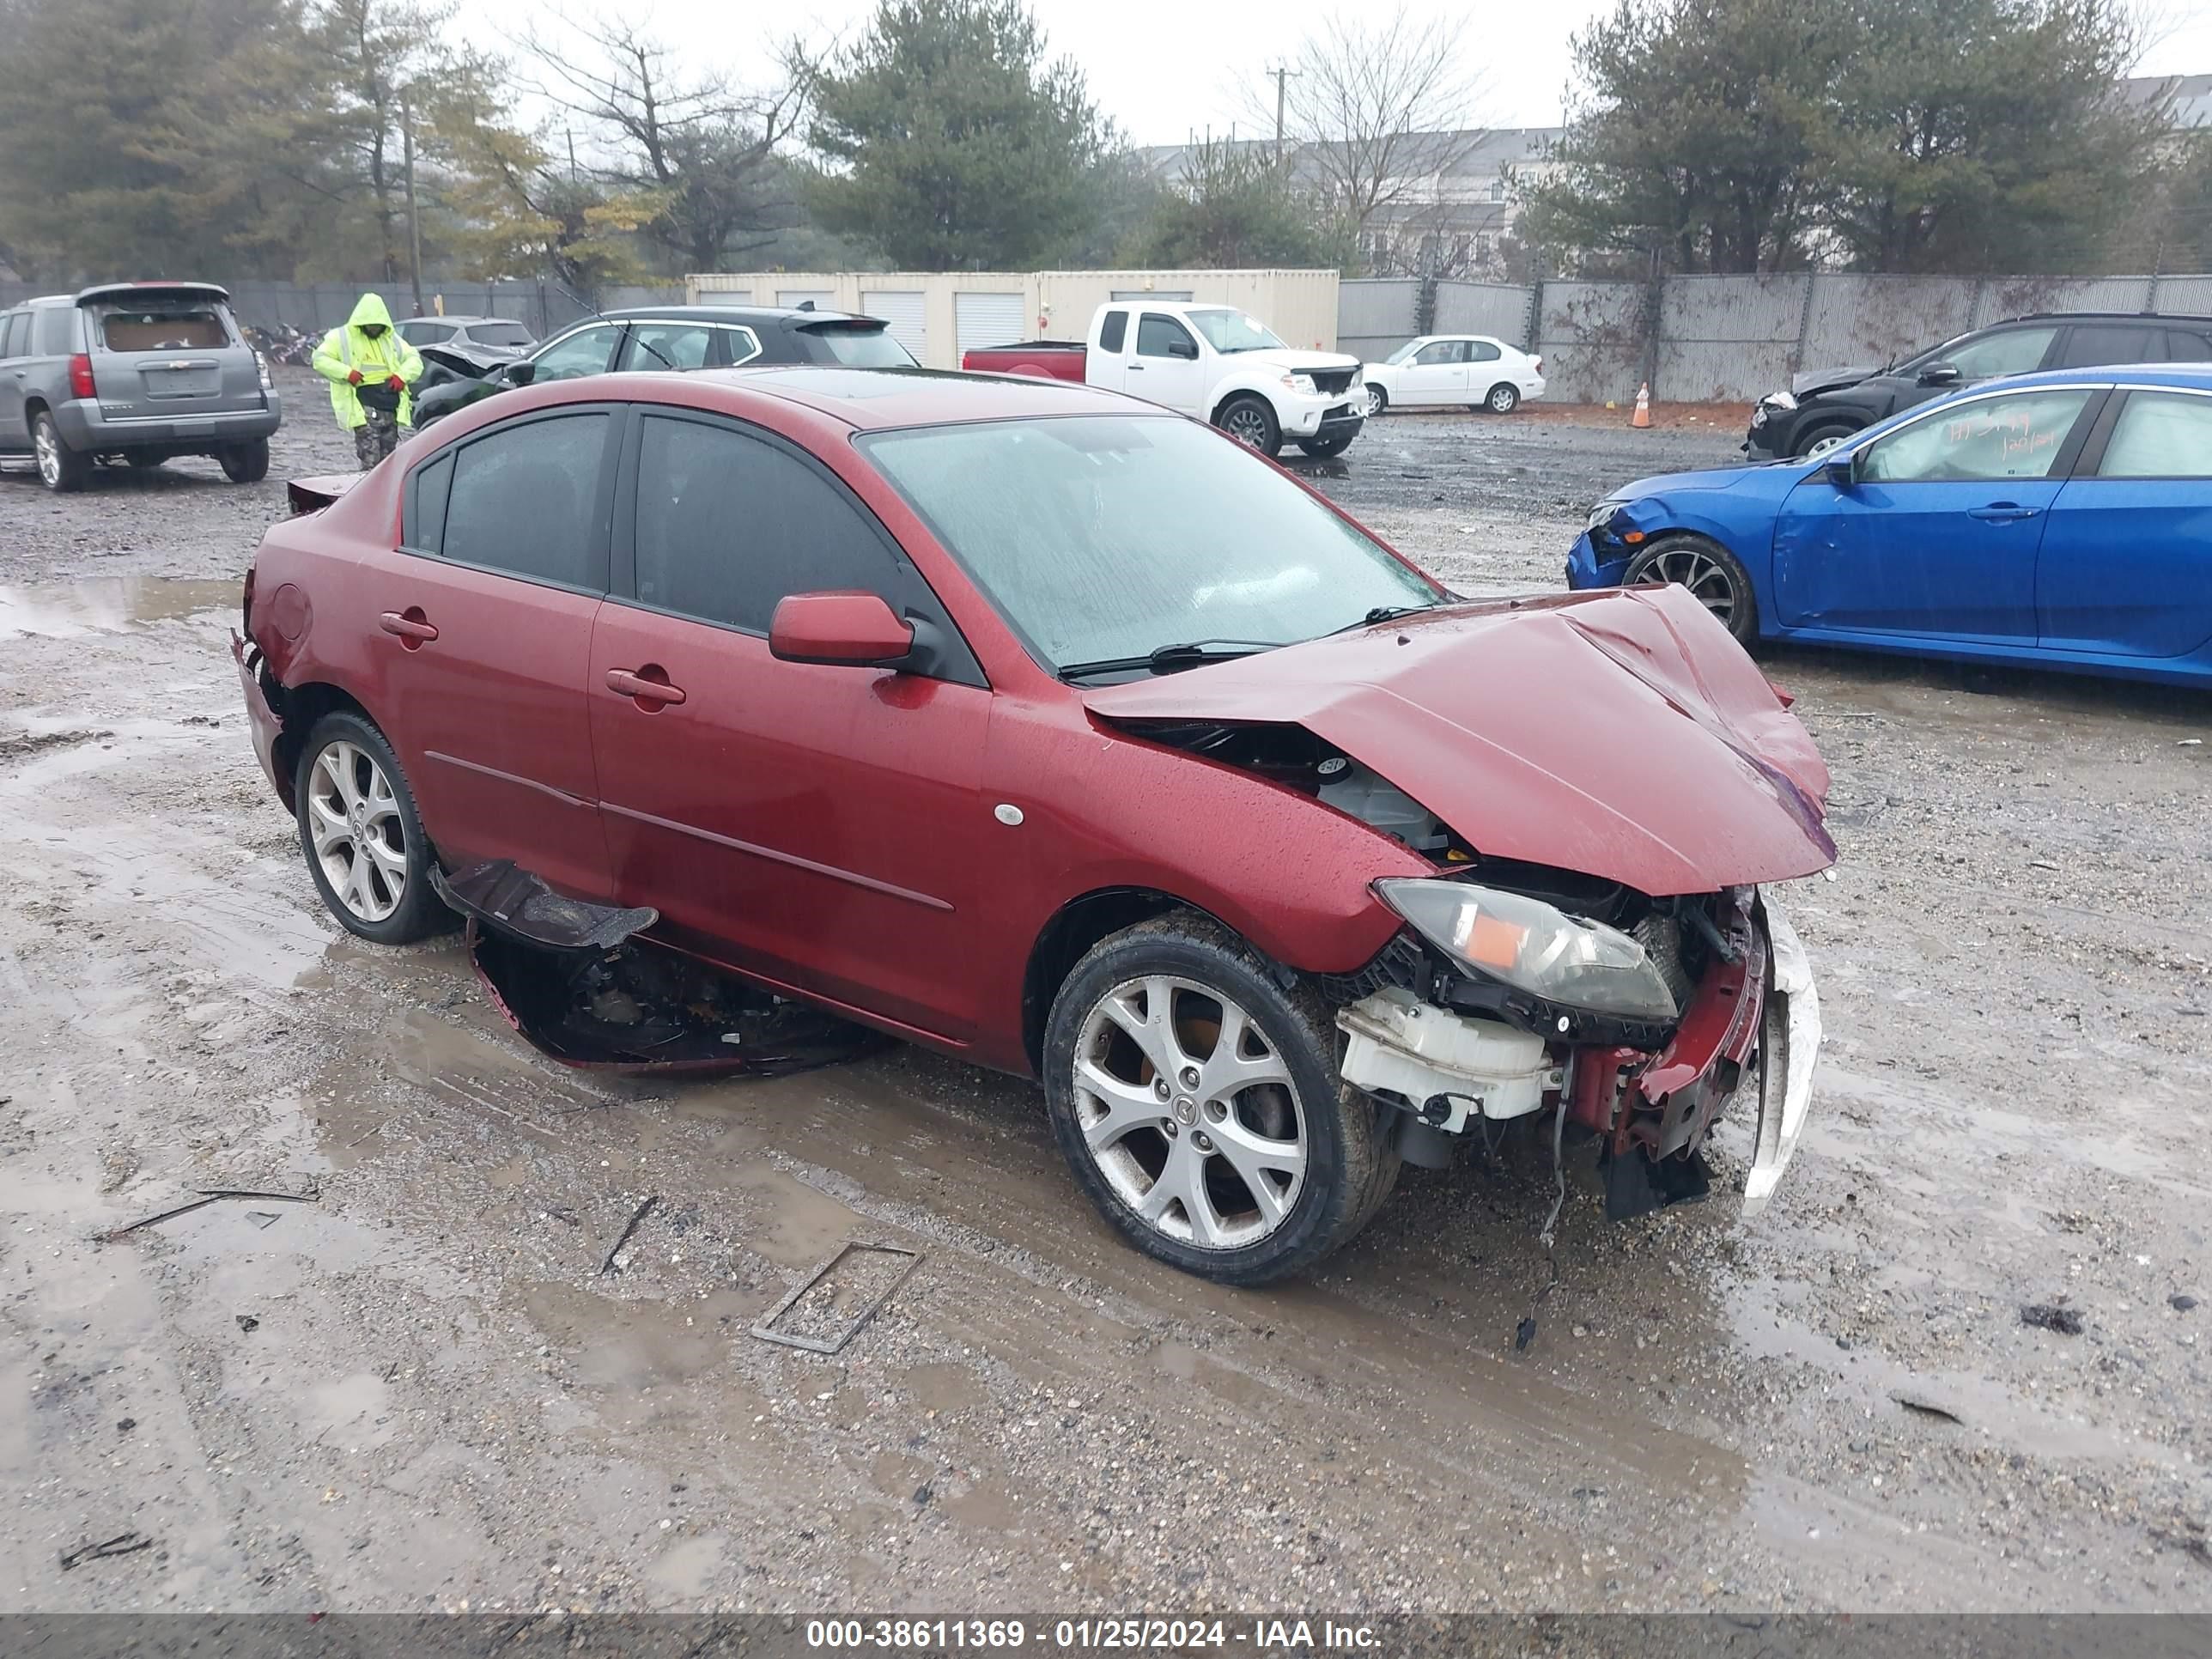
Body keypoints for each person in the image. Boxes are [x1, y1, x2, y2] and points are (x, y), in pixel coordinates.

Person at [312, 293, 422, 469]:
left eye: (377, 326)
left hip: (389, 406)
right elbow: (320, 359)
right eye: (370, 325)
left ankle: (386, 494)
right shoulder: (341, 337)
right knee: (370, 460)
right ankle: (370, 493)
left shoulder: (390, 339)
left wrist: (402, 376)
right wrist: (347, 373)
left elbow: (414, 360)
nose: (373, 329)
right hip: (363, 408)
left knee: (389, 461)